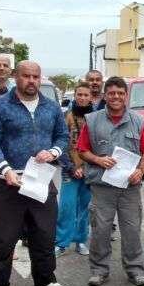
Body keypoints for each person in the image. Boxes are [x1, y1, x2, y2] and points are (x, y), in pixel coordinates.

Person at [0, 60, 70, 286]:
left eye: (35, 76)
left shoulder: (51, 107)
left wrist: (53, 152)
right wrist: (5, 169)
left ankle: (46, 280)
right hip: (10, 181)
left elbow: (62, 136)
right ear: (15, 77)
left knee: (44, 233)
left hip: (41, 179)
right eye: (26, 76)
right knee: (3, 237)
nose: (31, 81)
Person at [77, 76, 144, 286]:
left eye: (120, 93)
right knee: (100, 230)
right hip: (102, 187)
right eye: (111, 93)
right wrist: (98, 159)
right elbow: (82, 150)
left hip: (130, 187)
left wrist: (140, 170)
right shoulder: (92, 120)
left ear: (126, 96)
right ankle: (99, 270)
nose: (116, 97)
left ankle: (135, 270)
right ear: (105, 95)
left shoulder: (137, 121)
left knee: (132, 230)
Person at [54, 82, 93, 257]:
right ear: (74, 96)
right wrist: (71, 167)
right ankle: (61, 242)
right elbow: (60, 144)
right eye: (79, 94)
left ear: (91, 97)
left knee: (84, 208)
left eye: (86, 95)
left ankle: (80, 240)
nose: (82, 98)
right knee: (66, 207)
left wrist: (86, 167)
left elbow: (99, 145)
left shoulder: (96, 117)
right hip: (70, 170)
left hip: (89, 170)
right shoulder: (66, 117)